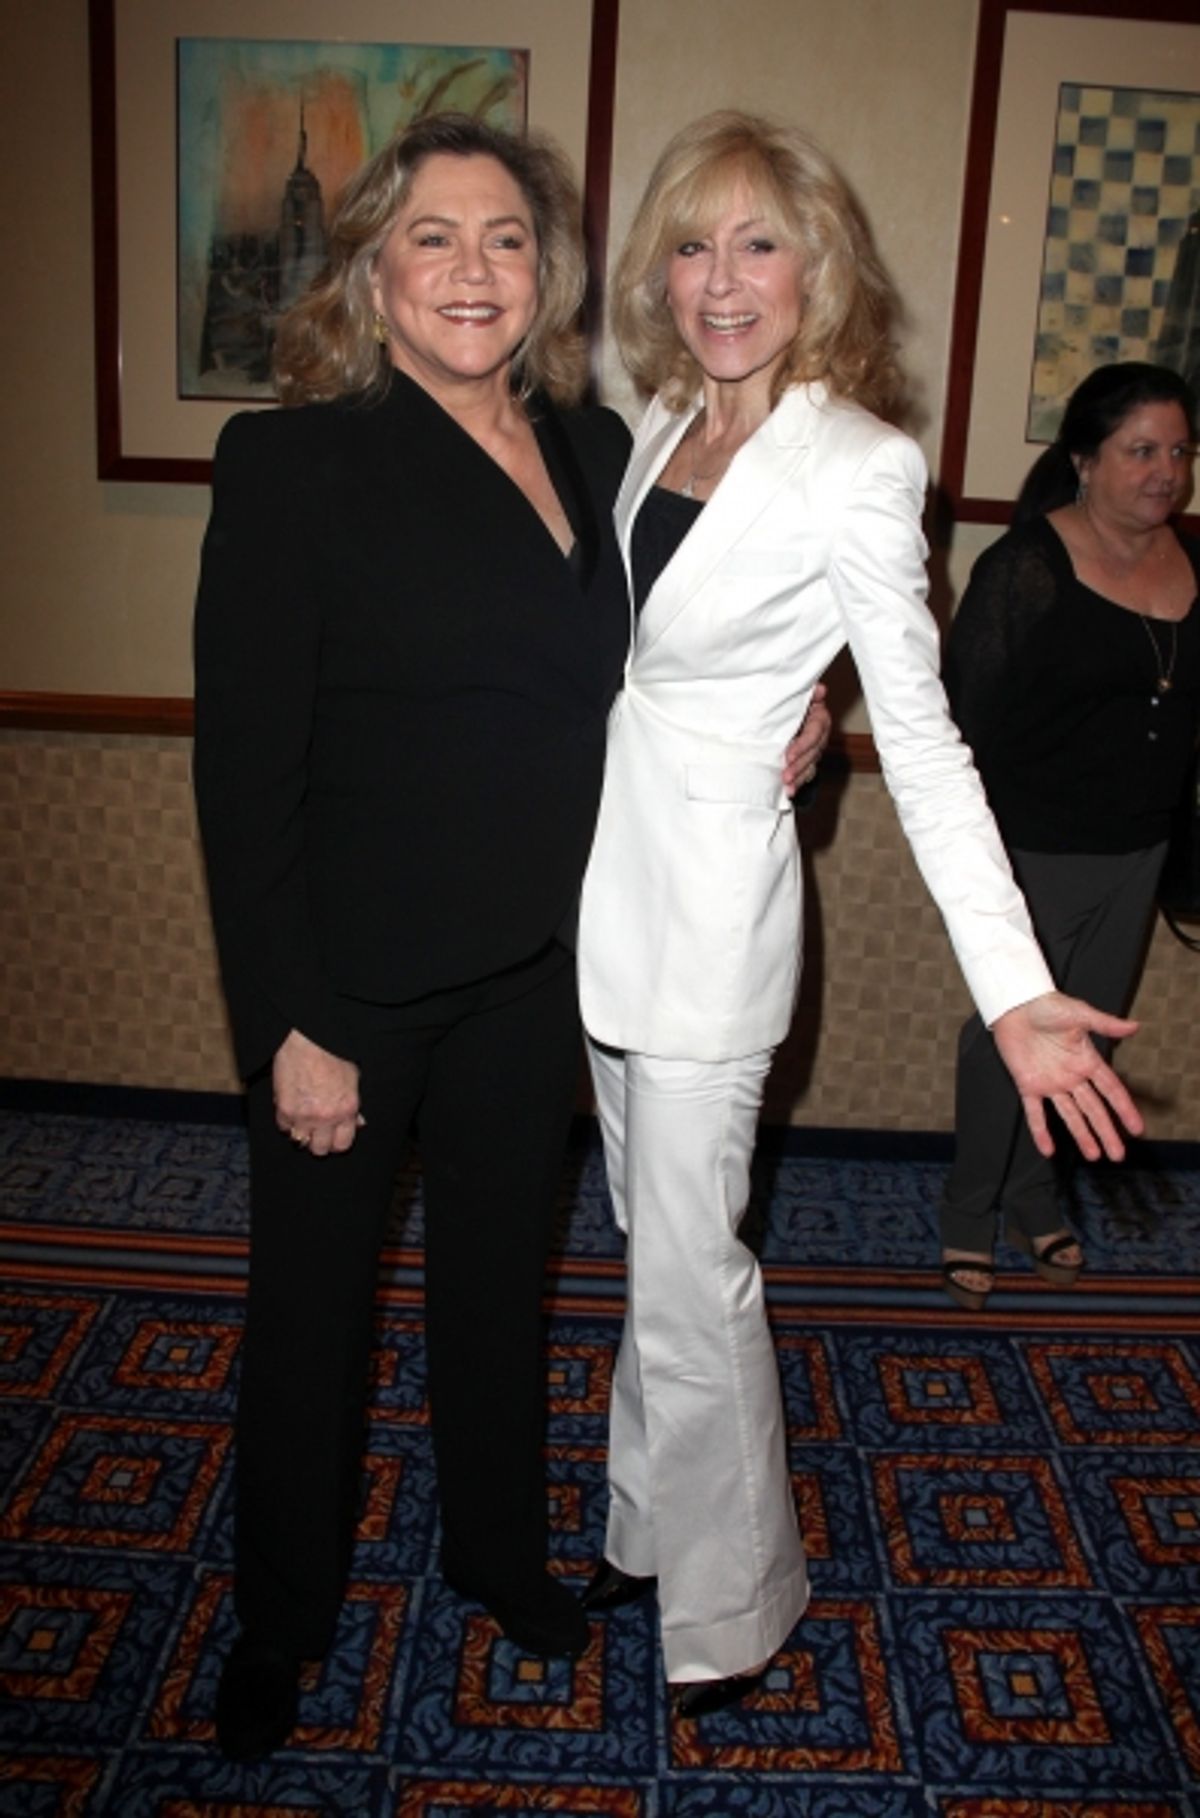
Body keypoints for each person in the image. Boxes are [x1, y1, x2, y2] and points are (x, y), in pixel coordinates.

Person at [572, 110, 1146, 1717]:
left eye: (758, 243)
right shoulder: (657, 424)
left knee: (700, 1280)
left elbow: (934, 734)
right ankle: (640, 1523)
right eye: (691, 244)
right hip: (600, 911)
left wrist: (1017, 985)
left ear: (817, 270)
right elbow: (640, 666)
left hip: (708, 933)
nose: (721, 278)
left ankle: (736, 1607)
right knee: (652, 1251)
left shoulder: (860, 466)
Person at [193, 112, 637, 1763]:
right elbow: (245, 775)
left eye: (505, 236)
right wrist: (289, 1017)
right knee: (310, 1321)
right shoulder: (294, 462)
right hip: (354, 991)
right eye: (434, 236)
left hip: (537, 973)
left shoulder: (598, 449)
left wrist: (796, 715)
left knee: (497, 1294)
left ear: (548, 270)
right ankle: (282, 1615)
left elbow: (674, 662)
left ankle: (501, 1554)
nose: (472, 268)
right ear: (376, 268)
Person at [940, 362, 1198, 1310]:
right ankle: (969, 1213)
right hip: (1031, 847)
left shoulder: (1193, 561)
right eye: (1141, 451)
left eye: (1179, 451)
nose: (1165, 471)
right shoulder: (1027, 569)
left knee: (1090, 1035)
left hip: (1141, 847)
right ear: (1085, 461)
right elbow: (962, 719)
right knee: (1006, 1037)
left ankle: (1032, 1196)